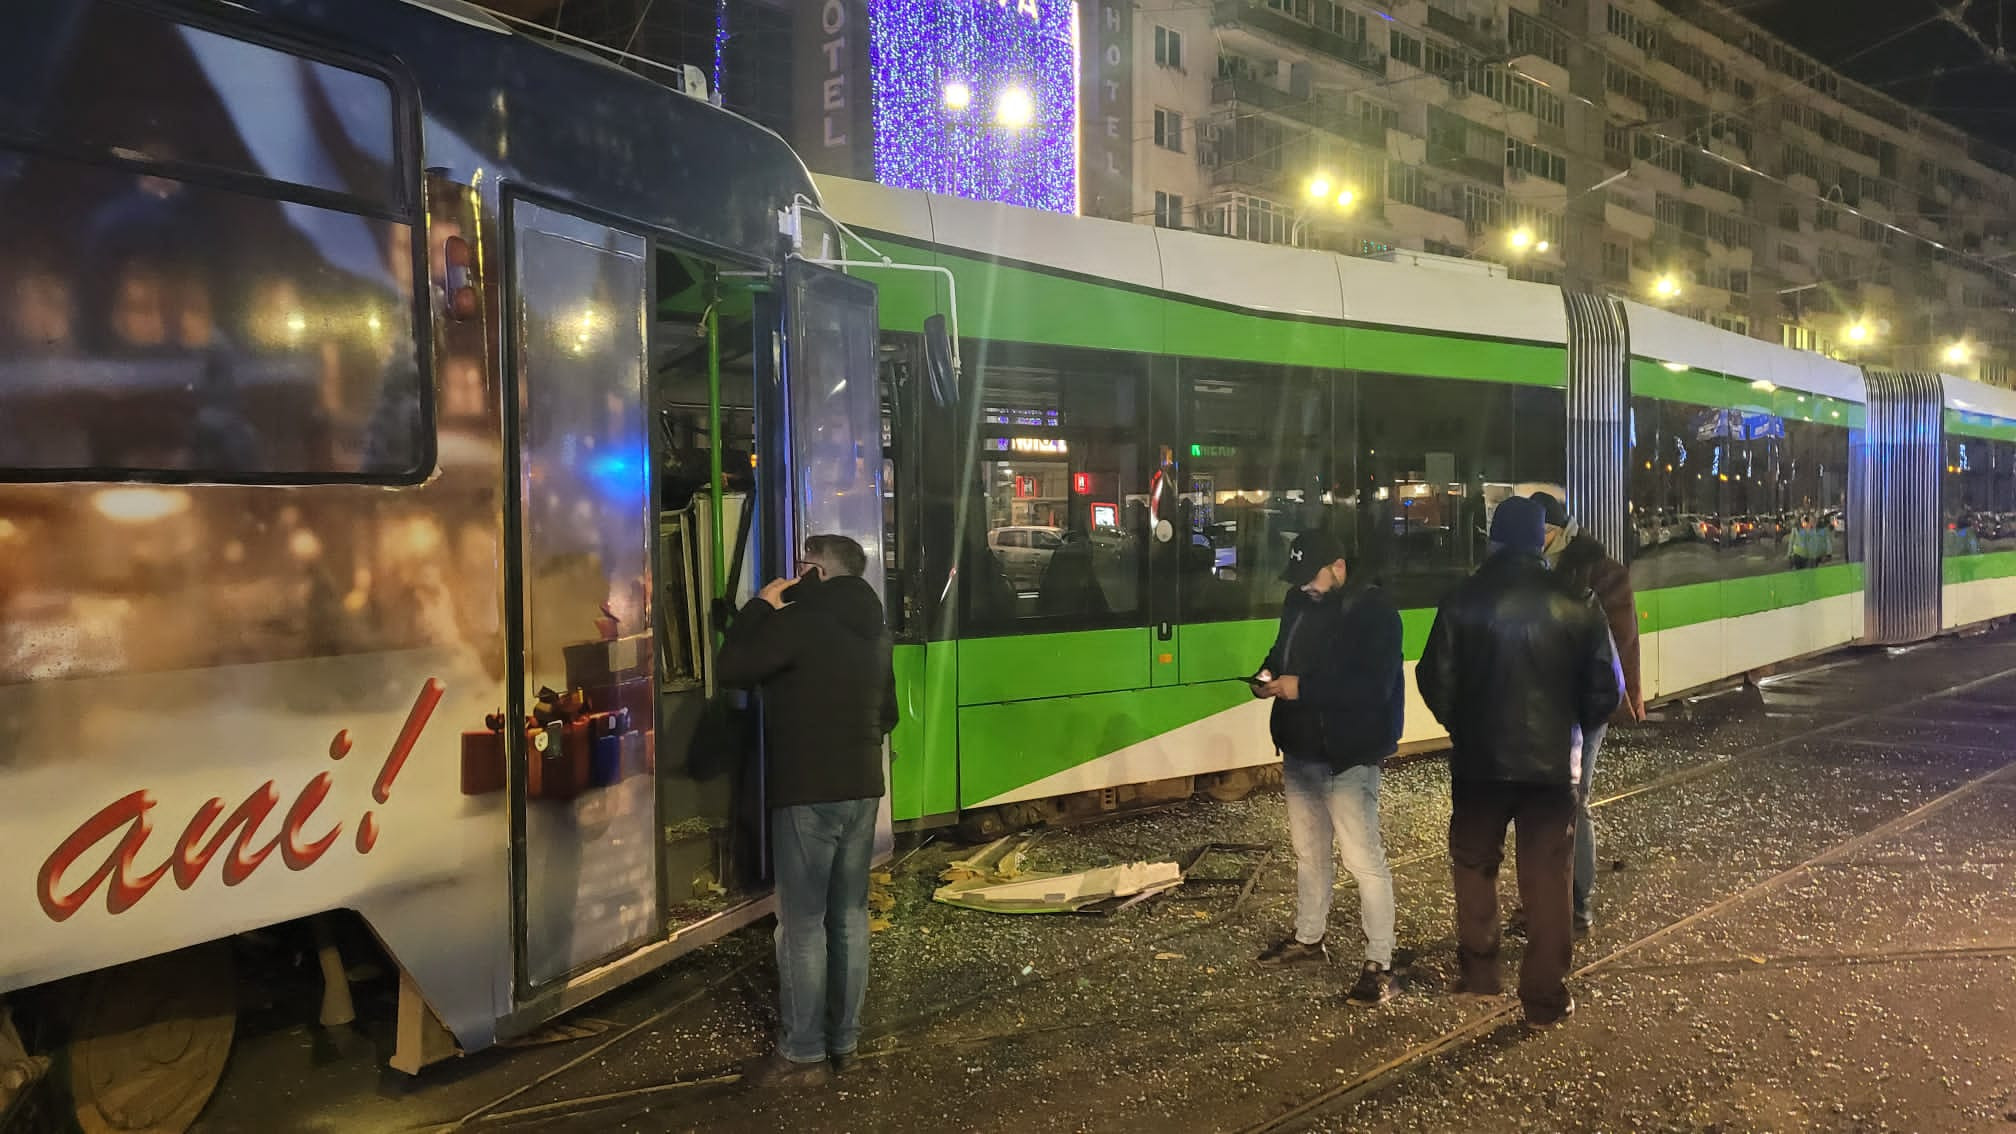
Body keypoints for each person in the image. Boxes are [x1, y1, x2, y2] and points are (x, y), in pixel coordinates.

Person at [1417, 496, 1621, 1027]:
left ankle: (1481, 975)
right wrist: (1568, 724)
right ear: (1541, 539)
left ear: (1493, 538)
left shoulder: (1462, 599)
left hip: (1479, 764)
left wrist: (1463, 725)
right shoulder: (1578, 599)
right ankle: (1545, 1000)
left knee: (1474, 865)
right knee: (1548, 879)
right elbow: (1607, 690)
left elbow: (1433, 678)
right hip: (1552, 768)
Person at [717, 533, 898, 1086]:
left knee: (801, 924)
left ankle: (802, 1054)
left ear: (818, 572)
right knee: (849, 918)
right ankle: (844, 1043)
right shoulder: (876, 631)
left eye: (802, 567)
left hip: (807, 793)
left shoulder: (798, 622)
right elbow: (887, 715)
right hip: (863, 789)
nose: (795, 577)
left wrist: (758, 607)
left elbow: (733, 670)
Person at [1250, 530, 1405, 1006]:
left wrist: (1304, 689)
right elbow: (1282, 653)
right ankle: (1309, 938)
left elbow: (1371, 689)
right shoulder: (1298, 601)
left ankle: (1380, 960)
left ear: (1338, 567)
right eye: (1296, 579)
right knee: (1309, 853)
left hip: (1348, 752)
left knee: (1363, 861)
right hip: (1301, 748)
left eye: (1310, 577)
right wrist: (1267, 677)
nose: (1303, 588)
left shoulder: (1375, 612)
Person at [1527, 489, 1643, 934]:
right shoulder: (1538, 565)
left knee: (1573, 803)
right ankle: (1549, 898)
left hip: (1584, 707)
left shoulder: (1597, 569)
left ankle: (1577, 906)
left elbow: (1624, 639)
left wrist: (1630, 693)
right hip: (1548, 704)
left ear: (1557, 531)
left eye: (1540, 534)